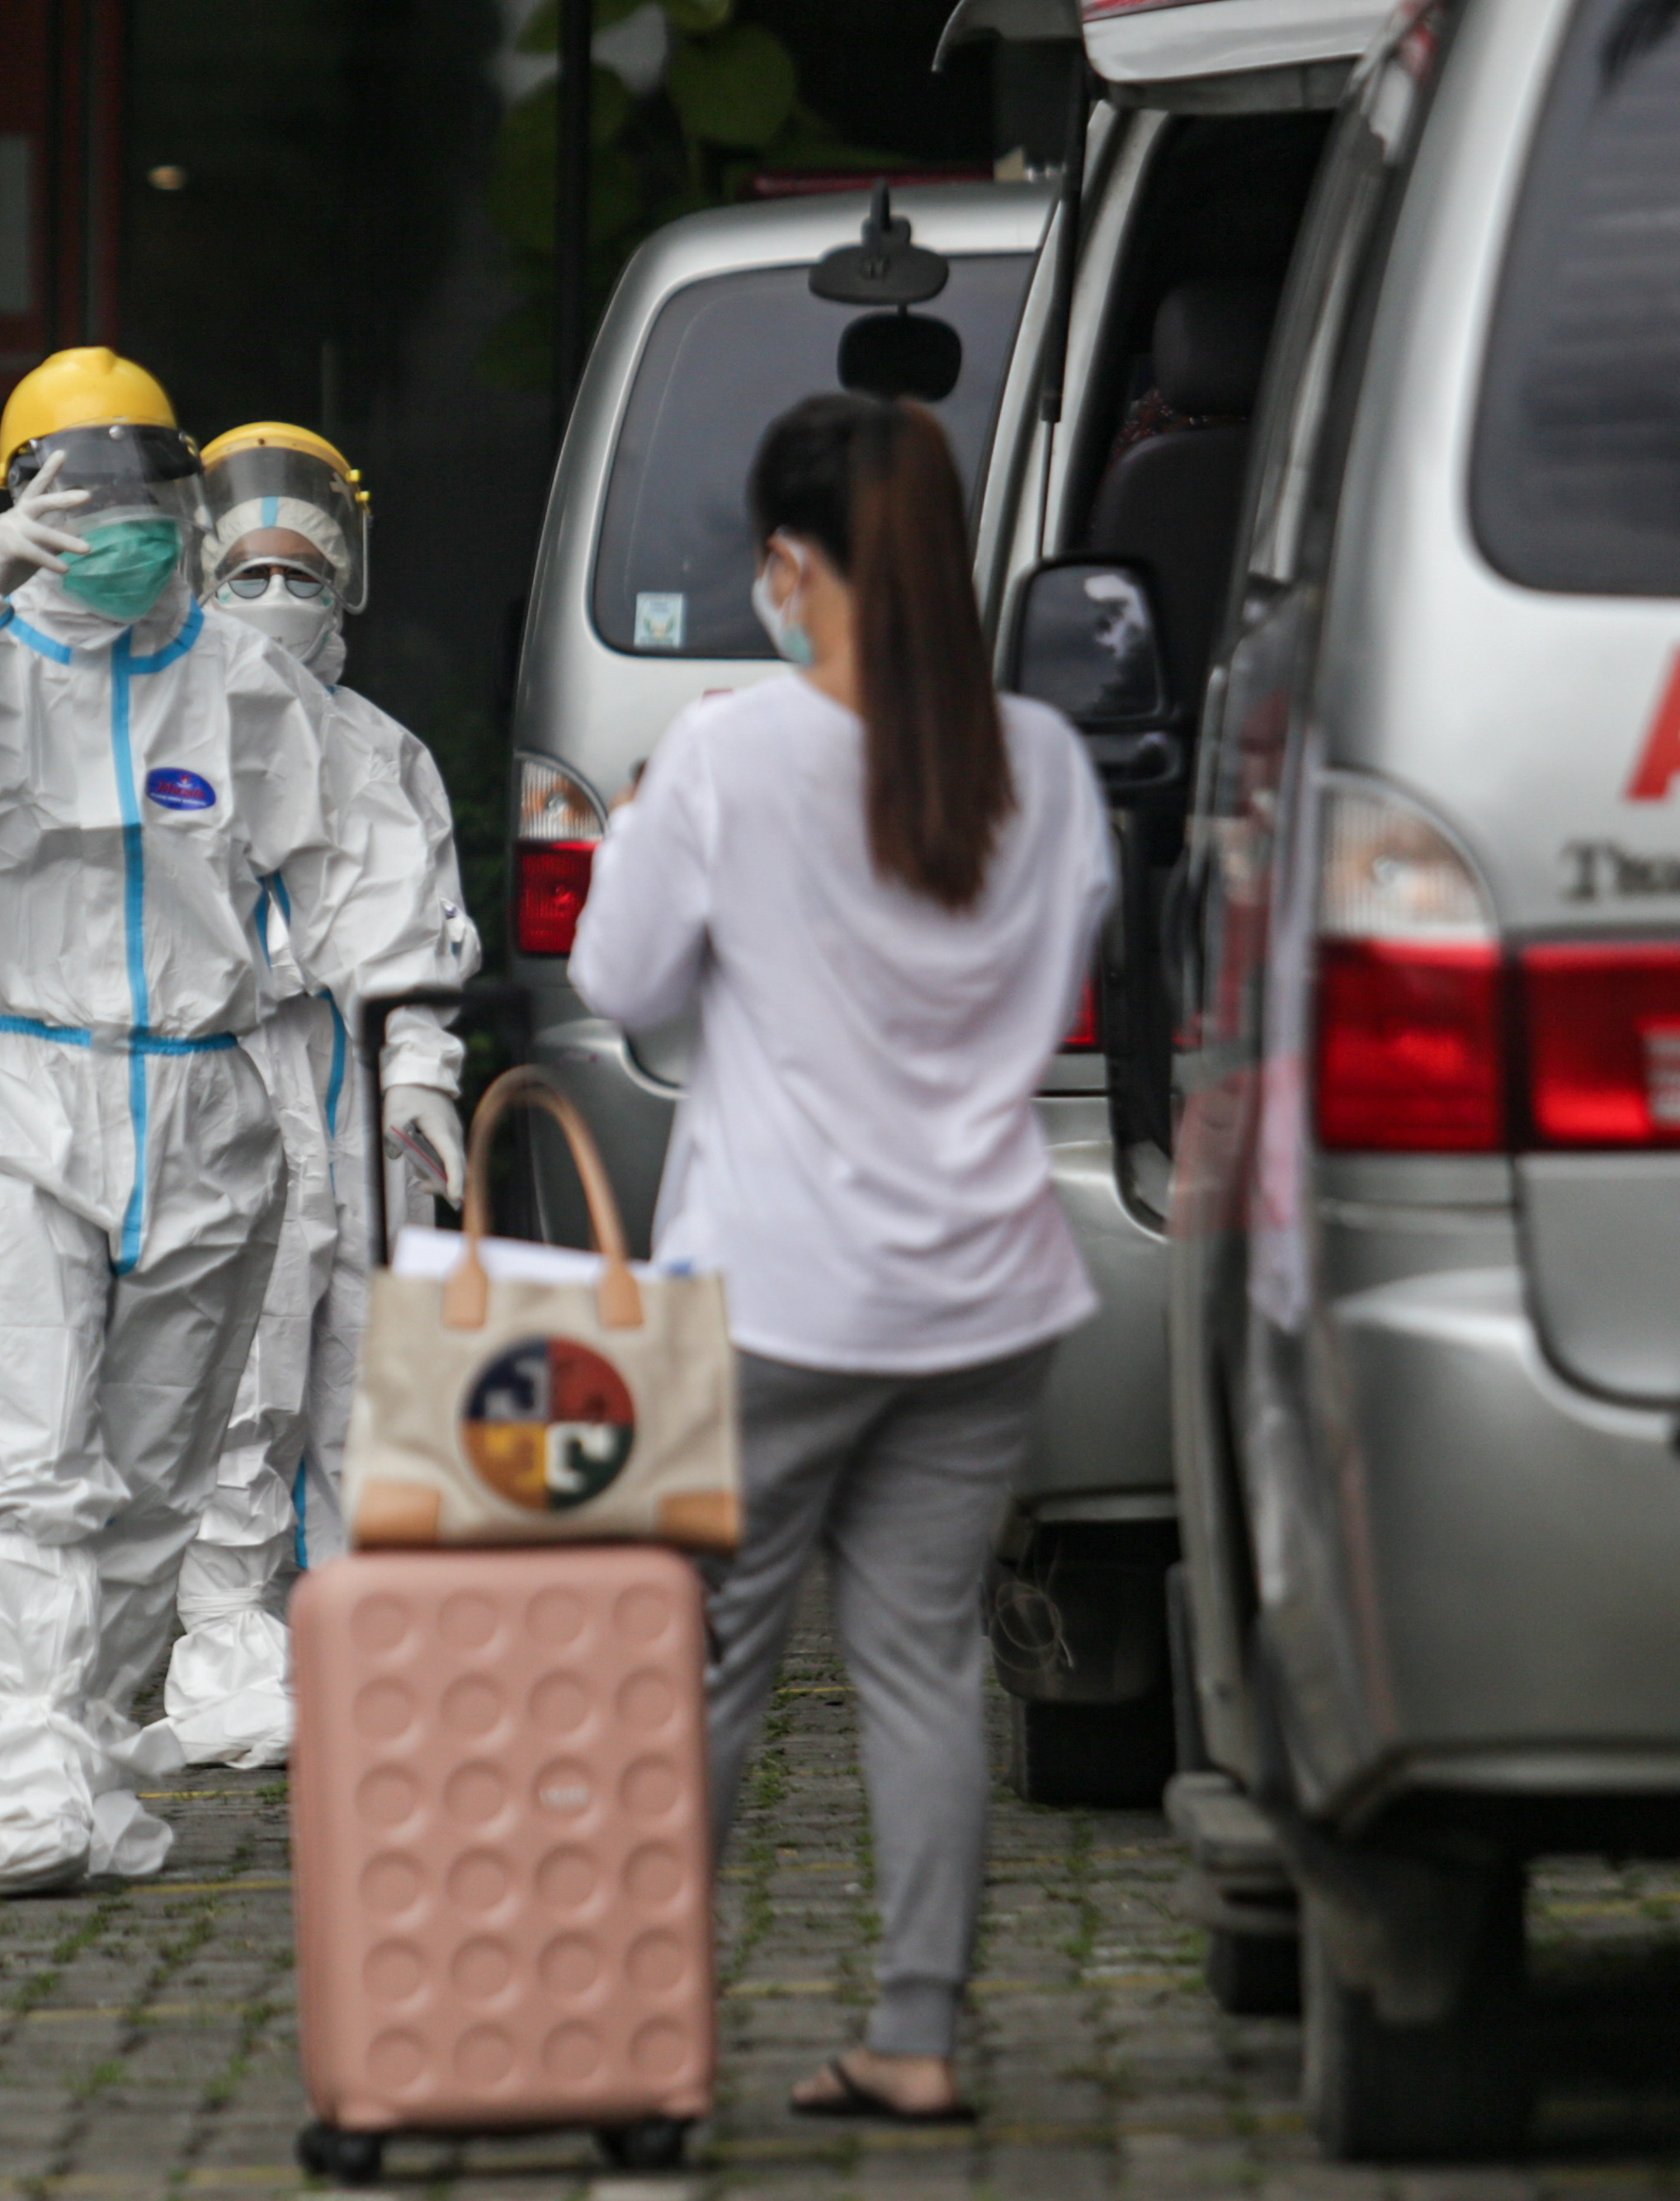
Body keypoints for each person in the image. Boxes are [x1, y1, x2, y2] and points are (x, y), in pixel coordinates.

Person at [0, 350, 455, 1895]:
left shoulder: (242, 676)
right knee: (25, 1468)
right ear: (21, 503)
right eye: (78, 494)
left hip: (209, 1102)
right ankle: (20, 1768)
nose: (123, 523)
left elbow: (359, 876)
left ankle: (76, 1750)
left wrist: (412, 1065)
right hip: (9, 1096)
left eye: (149, 492)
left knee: (156, 1476)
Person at [570, 393, 1111, 2122]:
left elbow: (619, 987)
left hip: (775, 1303)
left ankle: (654, 2051)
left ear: (792, 566)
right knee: (922, 1657)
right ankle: (918, 2033)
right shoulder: (1045, 762)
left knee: (704, 1661)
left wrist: (640, 822)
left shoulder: (725, 755)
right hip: (984, 1293)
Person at [161, 423, 479, 1771]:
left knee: (361, 1376)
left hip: (353, 1095)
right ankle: (224, 1650)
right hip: (219, 1081)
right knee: (232, 1379)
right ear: (201, 574)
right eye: (253, 571)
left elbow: (425, 933)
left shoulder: (383, 752)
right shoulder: (158, 729)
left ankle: (358, 1640)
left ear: (343, 581)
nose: (279, 594)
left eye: (303, 570)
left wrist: (423, 1079)